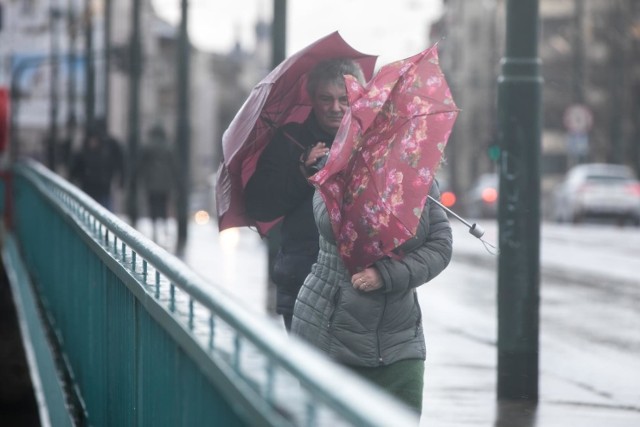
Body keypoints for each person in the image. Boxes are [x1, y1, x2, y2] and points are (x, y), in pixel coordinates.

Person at [291, 180, 453, 415]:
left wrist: (385, 275)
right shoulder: (335, 172)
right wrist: (368, 187)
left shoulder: (420, 176)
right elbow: (329, 225)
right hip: (331, 336)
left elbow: (440, 246)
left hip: (400, 340)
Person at [244, 59, 366, 332]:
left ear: (357, 97)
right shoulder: (290, 139)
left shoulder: (371, 142)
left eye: (344, 99)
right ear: (312, 98)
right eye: (326, 99)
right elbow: (259, 205)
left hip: (358, 286)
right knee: (309, 371)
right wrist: (301, 170)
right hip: (302, 278)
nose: (336, 108)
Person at [69, 126, 124, 210]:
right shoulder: (83, 153)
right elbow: (75, 170)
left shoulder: (105, 152)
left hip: (103, 190)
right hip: (89, 189)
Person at [138, 125, 177, 242]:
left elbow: (141, 165)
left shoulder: (148, 147)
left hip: (151, 183)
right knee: (163, 205)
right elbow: (174, 166)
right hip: (165, 184)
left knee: (153, 206)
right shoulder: (168, 147)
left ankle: (155, 227)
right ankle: (164, 226)